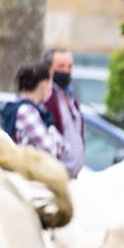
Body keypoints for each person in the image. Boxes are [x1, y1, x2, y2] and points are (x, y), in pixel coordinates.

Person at [1, 65, 63, 161]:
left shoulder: (20, 107)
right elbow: (50, 148)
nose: (51, 89)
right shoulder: (26, 110)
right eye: (50, 84)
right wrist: (54, 139)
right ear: (44, 84)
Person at [42, 48, 85, 177]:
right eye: (61, 66)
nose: (66, 71)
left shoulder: (70, 97)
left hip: (74, 176)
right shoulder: (47, 98)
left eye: (69, 66)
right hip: (56, 174)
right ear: (49, 68)